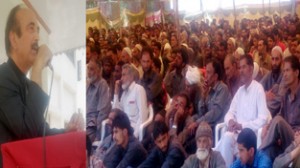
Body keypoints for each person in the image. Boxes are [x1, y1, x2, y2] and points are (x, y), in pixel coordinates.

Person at [0, 4, 83, 166]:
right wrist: (37, 68)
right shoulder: (2, 79)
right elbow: (28, 132)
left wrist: (66, 132)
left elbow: (40, 130)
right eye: (31, 29)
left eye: (38, 30)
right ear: (14, 39)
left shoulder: (24, 83)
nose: (38, 37)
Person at [215, 54, 271, 167]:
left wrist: (242, 125)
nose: (241, 71)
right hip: (237, 136)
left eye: (243, 67)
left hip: (251, 139)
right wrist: (230, 121)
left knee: (227, 139)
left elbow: (263, 119)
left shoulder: (258, 89)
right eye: (239, 68)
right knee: (226, 137)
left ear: (250, 69)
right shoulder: (240, 91)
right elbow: (230, 112)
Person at [113, 64, 148, 137]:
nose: (121, 79)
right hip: (121, 128)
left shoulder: (139, 89)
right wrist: (116, 93)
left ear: (131, 77)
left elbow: (143, 116)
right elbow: (116, 112)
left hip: (132, 130)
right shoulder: (124, 93)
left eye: (124, 75)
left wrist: (135, 135)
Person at [86, 59, 111, 142]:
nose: (89, 72)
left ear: (99, 71)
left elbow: (103, 113)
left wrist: (98, 135)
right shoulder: (88, 84)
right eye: (88, 68)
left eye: (92, 69)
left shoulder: (102, 85)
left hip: (92, 127)